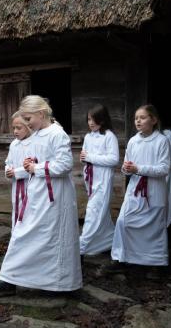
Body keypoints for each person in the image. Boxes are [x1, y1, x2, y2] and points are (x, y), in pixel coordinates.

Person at [0, 95, 82, 294]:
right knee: (25, 233)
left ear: (41, 114)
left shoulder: (58, 134)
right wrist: (26, 167)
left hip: (55, 195)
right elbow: (30, 161)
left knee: (51, 236)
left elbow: (65, 165)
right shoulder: (36, 135)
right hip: (35, 192)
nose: (27, 123)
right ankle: (10, 278)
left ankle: (58, 282)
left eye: (29, 119)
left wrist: (35, 168)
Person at [110, 104, 171, 268]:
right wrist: (126, 168)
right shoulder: (133, 141)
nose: (138, 121)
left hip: (154, 191)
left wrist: (139, 169)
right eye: (136, 118)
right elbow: (126, 167)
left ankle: (155, 263)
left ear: (154, 120)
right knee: (123, 221)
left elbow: (164, 169)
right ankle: (121, 257)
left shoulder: (161, 141)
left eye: (142, 117)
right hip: (135, 190)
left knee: (154, 228)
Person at [79, 104, 119, 256]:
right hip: (91, 180)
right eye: (89, 119)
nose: (91, 122)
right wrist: (84, 158)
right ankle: (109, 238)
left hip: (103, 180)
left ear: (102, 120)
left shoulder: (109, 136)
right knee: (101, 212)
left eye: (94, 119)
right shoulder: (88, 137)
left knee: (93, 210)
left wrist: (90, 157)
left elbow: (114, 159)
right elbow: (85, 155)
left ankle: (82, 245)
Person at [5, 111, 33, 229]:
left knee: (28, 212)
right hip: (16, 186)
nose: (15, 131)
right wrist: (8, 170)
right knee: (17, 210)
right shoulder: (14, 145)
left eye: (19, 128)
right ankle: (16, 238)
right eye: (14, 128)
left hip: (30, 185)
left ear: (28, 127)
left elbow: (34, 166)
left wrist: (17, 172)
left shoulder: (33, 143)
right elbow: (8, 162)